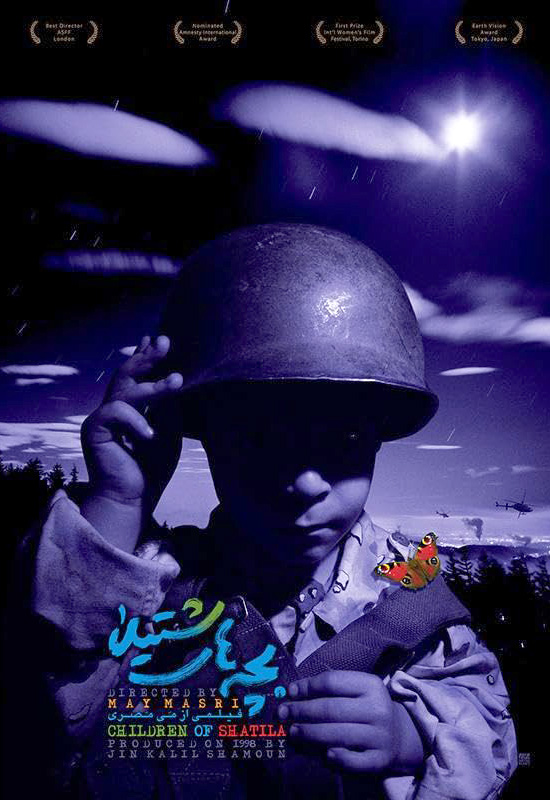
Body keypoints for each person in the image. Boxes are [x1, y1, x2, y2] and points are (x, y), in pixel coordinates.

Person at [9, 224, 517, 799]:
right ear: (202, 434)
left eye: (345, 438)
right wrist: (120, 500)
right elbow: (44, 701)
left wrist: (413, 737)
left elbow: (491, 726)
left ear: (379, 437)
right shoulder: (148, 581)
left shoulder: (409, 590)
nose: (305, 483)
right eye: (261, 440)